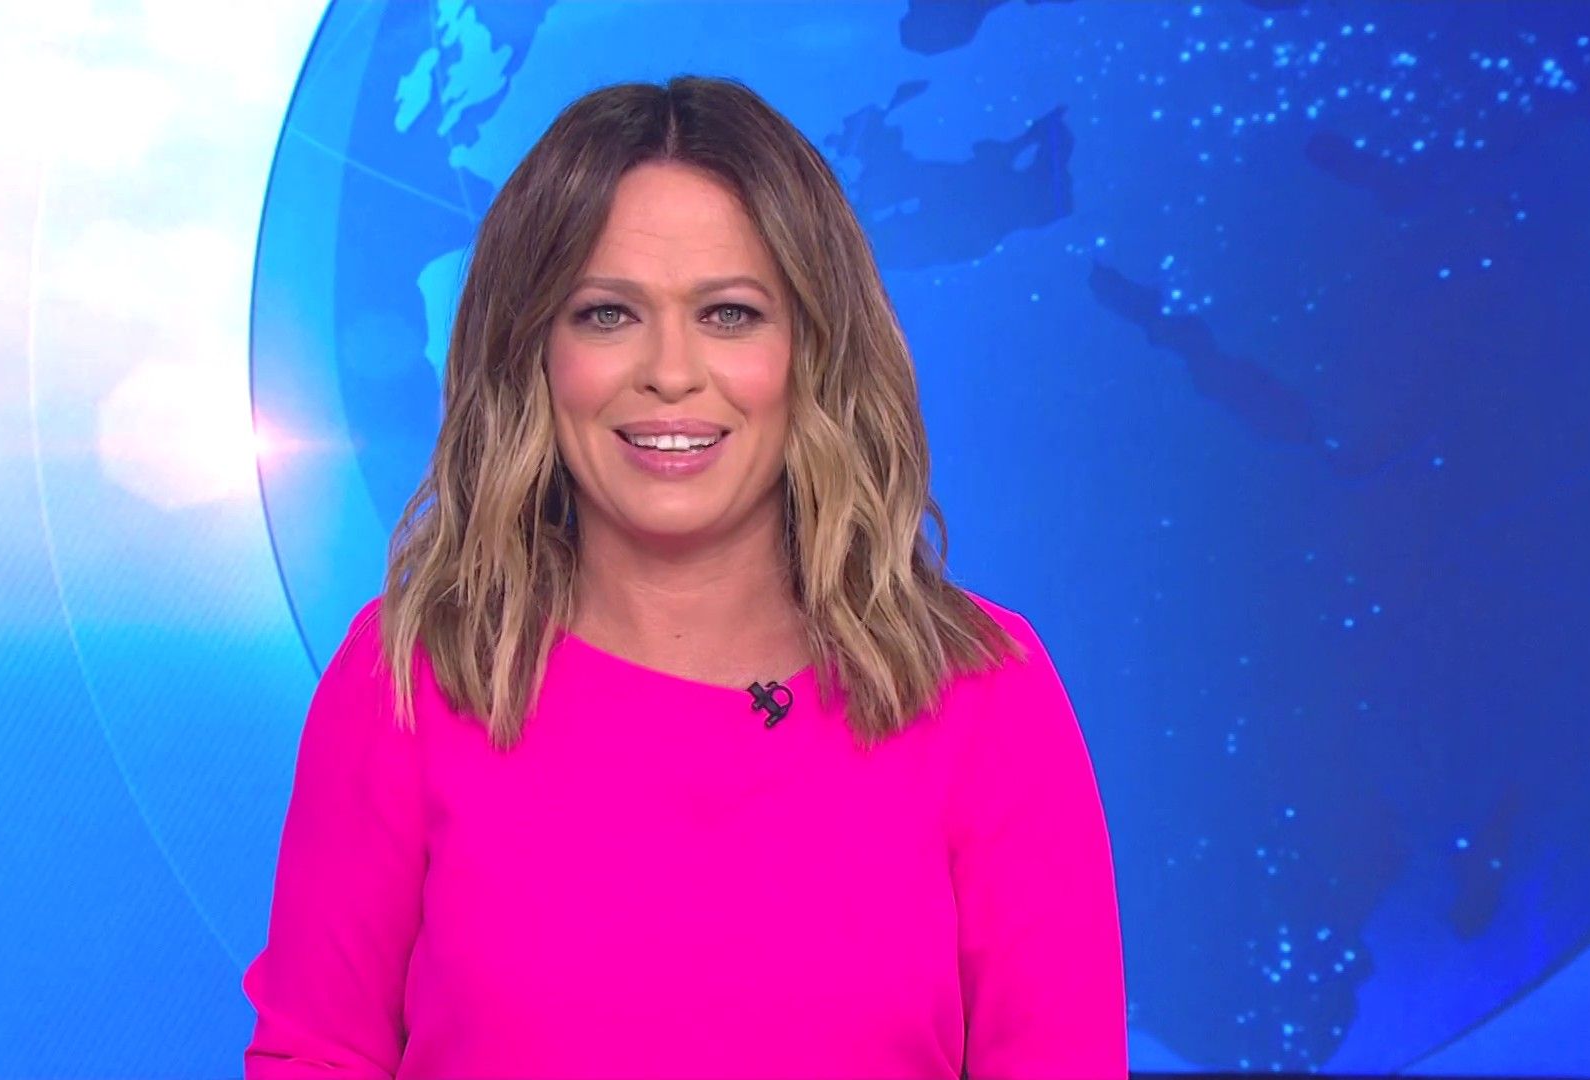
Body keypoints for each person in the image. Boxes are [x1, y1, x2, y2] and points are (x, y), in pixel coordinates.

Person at [241, 75, 1126, 1079]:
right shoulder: (413, 672)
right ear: (534, 354)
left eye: (731, 313)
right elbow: (317, 1056)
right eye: (607, 314)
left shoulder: (981, 692)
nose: (670, 370)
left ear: (814, 351)